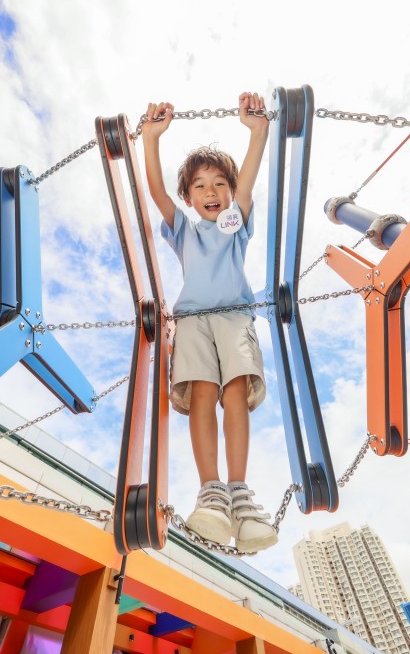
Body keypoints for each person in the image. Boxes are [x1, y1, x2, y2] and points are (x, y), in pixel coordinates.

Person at [141, 91, 278, 552]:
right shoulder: (183, 229)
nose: (211, 193)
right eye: (200, 186)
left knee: (235, 388)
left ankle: (239, 492)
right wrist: (151, 139)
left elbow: (248, 184)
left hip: (235, 317)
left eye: (219, 184)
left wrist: (257, 133)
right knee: (203, 391)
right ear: (189, 197)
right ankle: (211, 491)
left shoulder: (234, 223)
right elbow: (157, 193)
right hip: (194, 320)